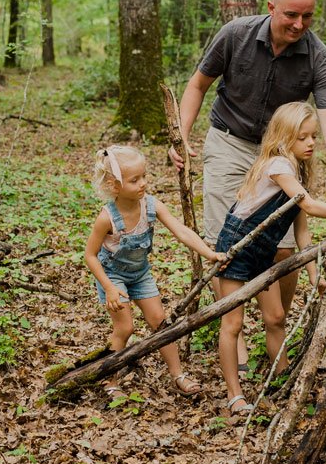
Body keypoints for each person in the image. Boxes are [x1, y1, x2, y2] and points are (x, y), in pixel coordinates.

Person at [170, 0, 326, 376]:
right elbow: (198, 85)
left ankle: (275, 327)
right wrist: (180, 138)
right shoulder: (235, 34)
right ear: (271, 8)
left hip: (282, 153)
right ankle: (230, 328)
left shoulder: (317, 56)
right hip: (230, 142)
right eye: (291, 15)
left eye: (308, 17)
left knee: (283, 247)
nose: (299, 25)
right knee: (227, 243)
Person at [213, 102, 326, 413]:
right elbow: (308, 205)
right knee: (233, 323)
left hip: (263, 251)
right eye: (302, 137)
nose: (310, 143)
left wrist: (312, 274)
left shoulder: (294, 170)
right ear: (282, 138)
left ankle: (281, 378)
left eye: (313, 137)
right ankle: (234, 394)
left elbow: (302, 229)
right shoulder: (278, 166)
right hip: (238, 247)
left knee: (276, 317)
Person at [85, 145, 227, 400]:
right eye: (134, 180)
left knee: (159, 322)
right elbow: (90, 255)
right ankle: (111, 380)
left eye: (144, 177)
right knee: (125, 328)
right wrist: (108, 287)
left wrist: (209, 253)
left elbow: (181, 231)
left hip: (140, 274)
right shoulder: (107, 218)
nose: (143, 184)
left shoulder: (151, 205)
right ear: (114, 185)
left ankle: (178, 375)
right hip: (113, 277)